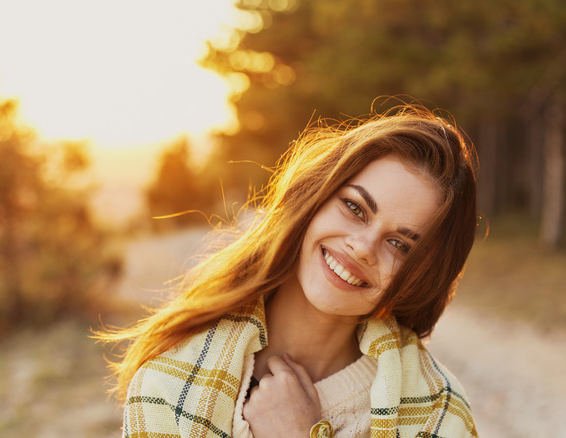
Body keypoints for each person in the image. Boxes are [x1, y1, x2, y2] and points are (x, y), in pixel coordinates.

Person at [102, 105, 479, 438]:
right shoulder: (170, 384)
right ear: (314, 198)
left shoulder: (438, 416)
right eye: (354, 208)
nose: (362, 248)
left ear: (420, 276)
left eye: (399, 245)